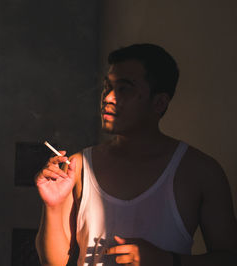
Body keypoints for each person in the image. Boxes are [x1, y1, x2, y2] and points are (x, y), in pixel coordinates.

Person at [35, 43, 237, 265]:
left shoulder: (200, 172)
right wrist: (53, 207)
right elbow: (53, 263)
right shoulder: (79, 166)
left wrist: (167, 261)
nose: (108, 98)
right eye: (107, 87)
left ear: (159, 102)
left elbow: (228, 258)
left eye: (124, 89)